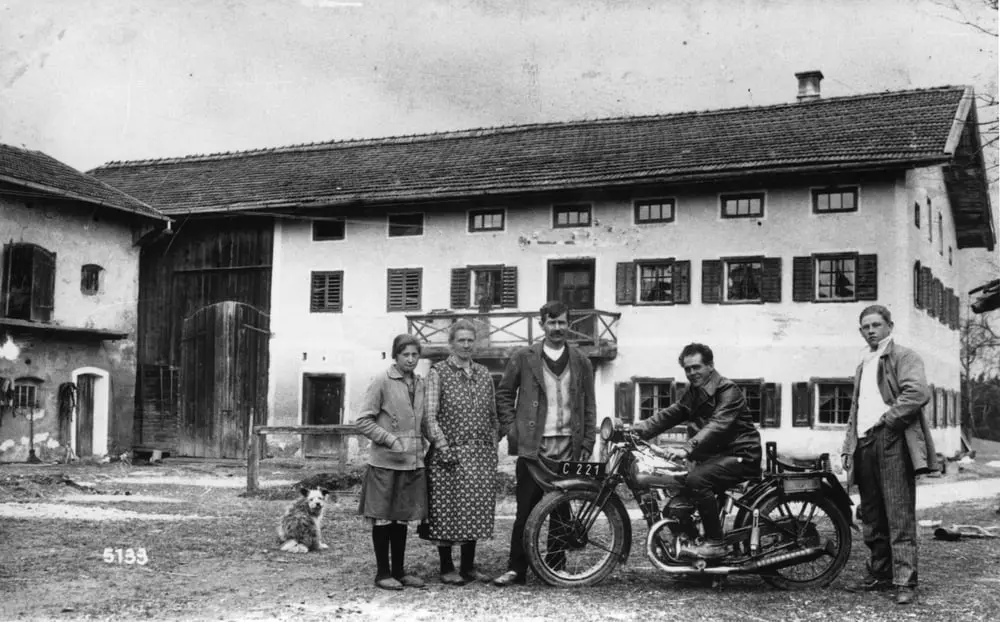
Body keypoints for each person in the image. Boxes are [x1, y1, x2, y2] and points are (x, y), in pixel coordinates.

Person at [492, 301, 597, 586]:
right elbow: (503, 395)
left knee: (562, 509)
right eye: (552, 323)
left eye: (562, 322)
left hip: (568, 447)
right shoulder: (523, 357)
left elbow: (589, 404)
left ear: (569, 324)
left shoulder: (581, 360)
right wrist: (513, 430)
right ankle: (517, 569)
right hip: (534, 448)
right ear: (542, 325)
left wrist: (588, 440)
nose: (557, 328)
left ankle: (555, 567)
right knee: (526, 510)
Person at [841, 305, 937, 606]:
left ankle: (905, 581)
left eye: (876, 325)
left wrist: (889, 420)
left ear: (889, 326)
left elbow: (918, 392)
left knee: (898, 511)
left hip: (891, 438)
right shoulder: (863, 362)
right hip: (865, 442)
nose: (871, 330)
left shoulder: (904, 356)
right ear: (860, 331)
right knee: (872, 513)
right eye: (866, 326)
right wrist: (849, 445)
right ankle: (879, 574)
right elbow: (855, 409)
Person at [631, 343, 762, 560]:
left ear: (710, 366)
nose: (692, 373)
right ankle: (692, 542)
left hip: (742, 455)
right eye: (687, 369)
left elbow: (718, 424)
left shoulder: (728, 391)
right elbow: (672, 413)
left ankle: (715, 544)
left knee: (697, 480)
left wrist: (687, 449)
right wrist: (638, 430)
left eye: (697, 367)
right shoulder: (694, 392)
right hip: (718, 457)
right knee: (679, 487)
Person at [421, 319, 500, 585]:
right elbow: (429, 416)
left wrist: (492, 445)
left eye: (470, 340)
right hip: (449, 454)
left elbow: (492, 415)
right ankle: (446, 566)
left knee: (475, 509)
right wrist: (442, 446)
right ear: (451, 343)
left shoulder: (484, 373)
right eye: (461, 340)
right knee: (446, 510)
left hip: (479, 454)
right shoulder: (438, 372)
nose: (466, 345)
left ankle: (468, 567)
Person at [355, 334, 431, 591]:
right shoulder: (382, 381)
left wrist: (437, 444)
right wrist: (389, 440)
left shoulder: (420, 384)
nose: (410, 359)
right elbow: (363, 420)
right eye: (405, 355)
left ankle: (399, 571)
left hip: (412, 463)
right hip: (386, 463)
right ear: (395, 356)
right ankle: (382, 573)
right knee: (384, 519)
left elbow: (422, 422)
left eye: (414, 355)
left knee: (401, 519)